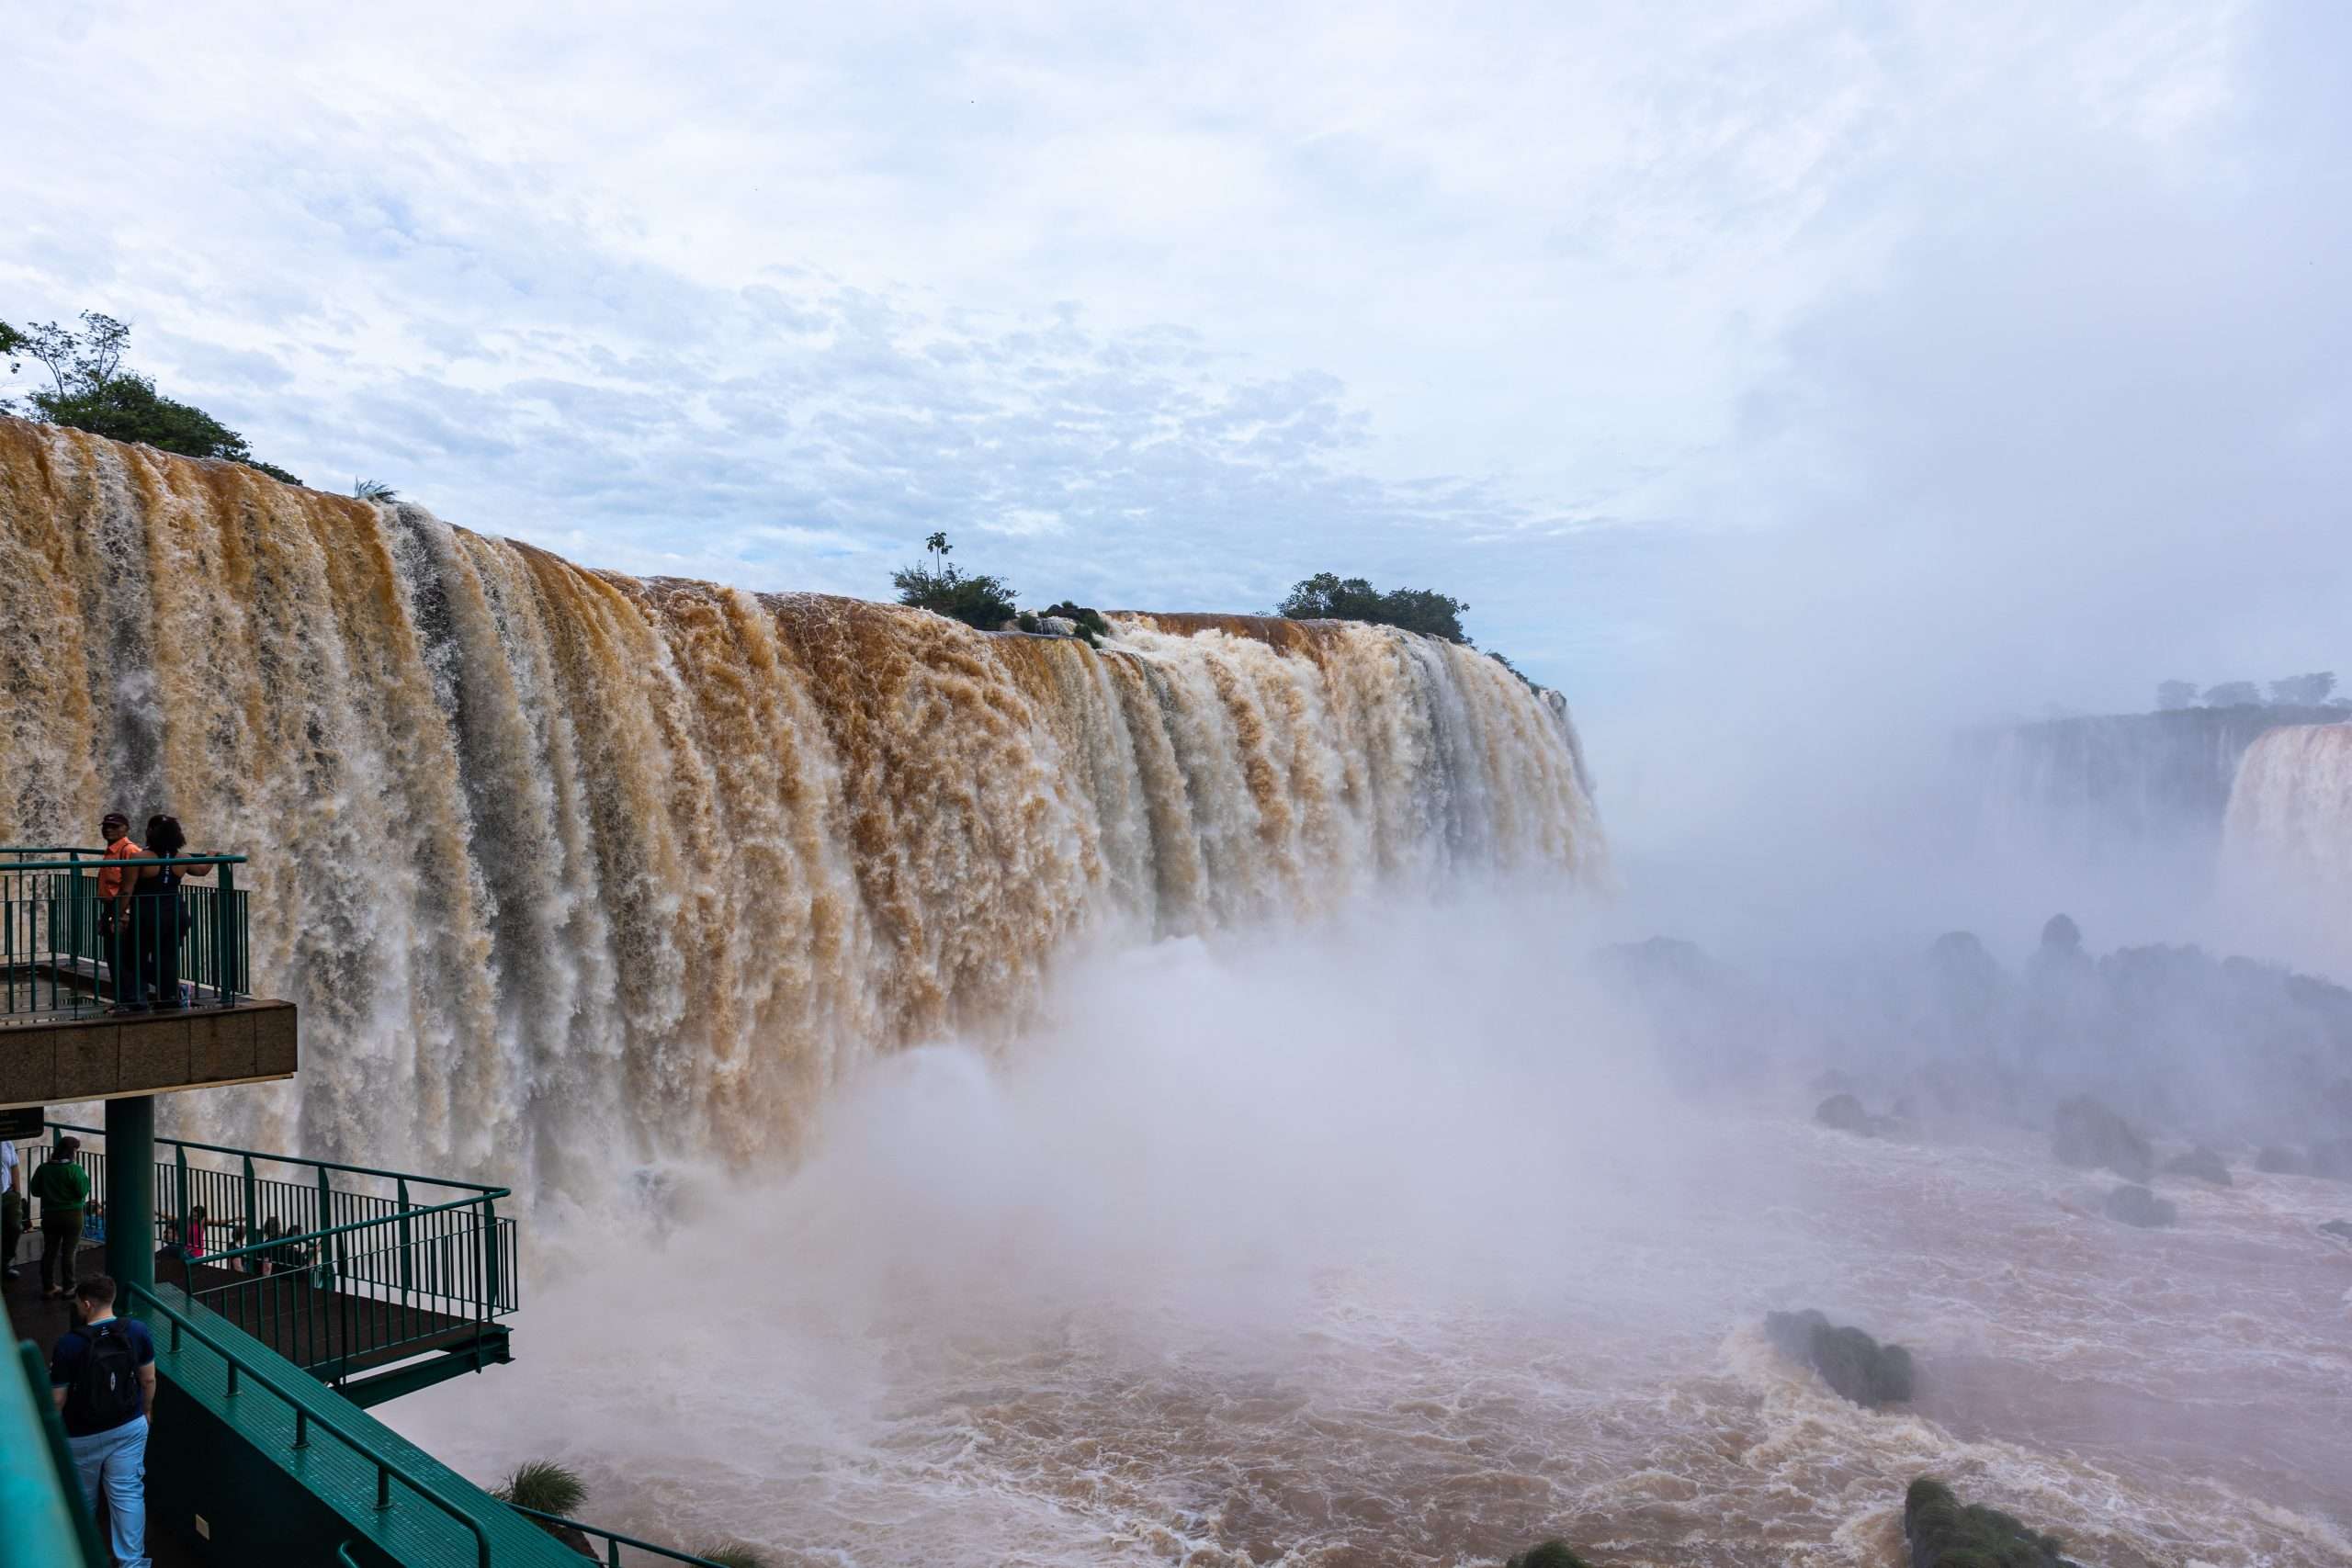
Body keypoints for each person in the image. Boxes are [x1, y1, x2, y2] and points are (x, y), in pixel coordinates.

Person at [51, 1273, 156, 1568]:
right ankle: (132, 1563)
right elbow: (148, 1380)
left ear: (86, 1303)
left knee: (83, 1499)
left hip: (81, 1434)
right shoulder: (136, 1330)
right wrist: (146, 1411)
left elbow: (57, 1400)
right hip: (129, 1424)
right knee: (128, 1495)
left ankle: (82, 1556)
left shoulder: (68, 1344)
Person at [134, 815, 209, 1010]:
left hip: (148, 914)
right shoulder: (183, 858)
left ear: (150, 832)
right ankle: (169, 998)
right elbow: (202, 871)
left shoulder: (140, 857)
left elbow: (126, 889)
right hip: (177, 914)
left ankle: (170, 991)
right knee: (167, 957)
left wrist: (117, 913)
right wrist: (212, 855)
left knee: (133, 957)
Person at [94, 813, 147, 1010]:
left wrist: (124, 914)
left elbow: (134, 886)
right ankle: (123, 1000)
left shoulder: (129, 850)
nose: (108, 829)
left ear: (126, 828)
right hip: (111, 908)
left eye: (114, 826)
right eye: (106, 826)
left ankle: (134, 1001)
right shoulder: (111, 850)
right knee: (114, 957)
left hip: (123, 909)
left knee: (124, 957)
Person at [30, 1136, 91, 1299]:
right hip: (73, 1215)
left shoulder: (44, 1169)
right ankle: (69, 1287)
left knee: (50, 1251)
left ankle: (48, 1287)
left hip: (50, 1215)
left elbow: (35, 1191)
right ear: (72, 1152)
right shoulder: (74, 1169)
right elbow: (82, 1191)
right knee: (69, 1252)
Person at [1, 1134, 19, 1280]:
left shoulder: (6, 1141)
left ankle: (5, 1263)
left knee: (14, 1228)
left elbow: (14, 1166)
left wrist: (17, 1193)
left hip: (7, 1194)